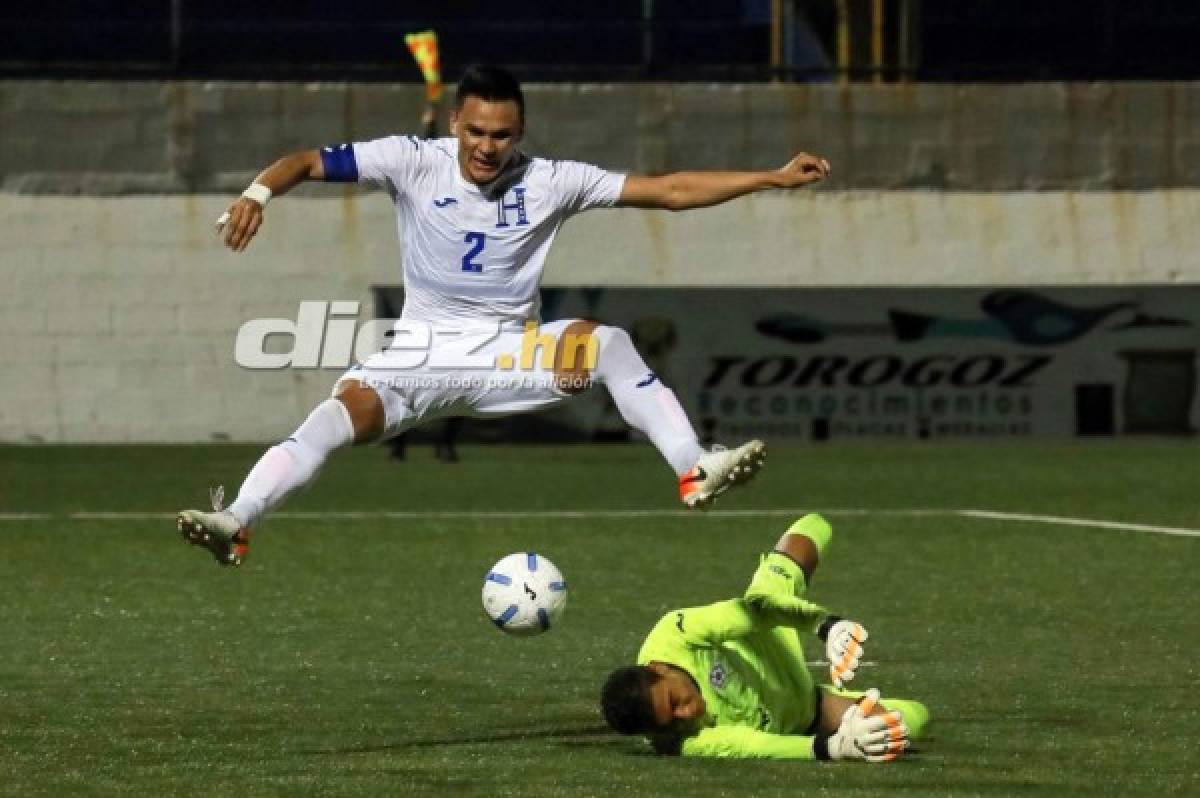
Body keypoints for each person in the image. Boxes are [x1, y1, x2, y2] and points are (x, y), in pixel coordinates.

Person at [177, 65, 830, 566]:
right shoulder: (410, 159)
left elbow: (670, 190)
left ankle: (693, 466)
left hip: (510, 356)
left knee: (607, 344)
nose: (488, 147)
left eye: (503, 134)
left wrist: (772, 177)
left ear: (520, 132)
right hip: (421, 355)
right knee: (331, 418)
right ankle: (237, 521)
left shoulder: (552, 179)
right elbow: (306, 161)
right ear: (456, 123)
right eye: (476, 131)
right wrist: (258, 193)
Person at [600, 514, 929, 760]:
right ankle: (844, 706)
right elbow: (753, 746)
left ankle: (787, 576)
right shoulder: (679, 741)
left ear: (660, 668)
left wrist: (827, 627)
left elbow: (752, 613)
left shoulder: (674, 634)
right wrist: (834, 746)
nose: (684, 716)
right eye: (669, 723)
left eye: (674, 702)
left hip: (776, 646)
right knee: (914, 719)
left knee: (811, 532)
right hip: (807, 713)